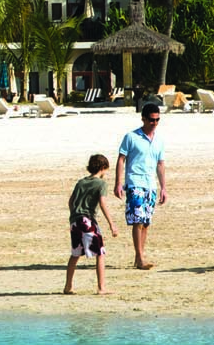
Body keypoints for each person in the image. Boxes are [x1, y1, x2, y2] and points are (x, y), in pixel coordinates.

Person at [113, 100, 168, 269]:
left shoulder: (159, 140)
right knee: (137, 221)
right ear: (143, 119)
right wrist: (118, 183)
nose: (154, 123)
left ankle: (140, 257)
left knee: (146, 222)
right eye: (152, 120)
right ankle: (139, 257)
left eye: (157, 120)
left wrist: (163, 188)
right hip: (135, 183)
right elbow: (121, 160)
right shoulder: (131, 137)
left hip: (150, 185)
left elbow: (160, 164)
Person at [65, 153, 120, 294]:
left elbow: (71, 202)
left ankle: (68, 286)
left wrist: (74, 215)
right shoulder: (101, 184)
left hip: (75, 221)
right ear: (103, 168)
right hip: (88, 221)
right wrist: (112, 224)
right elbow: (102, 203)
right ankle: (101, 288)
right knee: (100, 252)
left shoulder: (81, 182)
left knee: (75, 254)